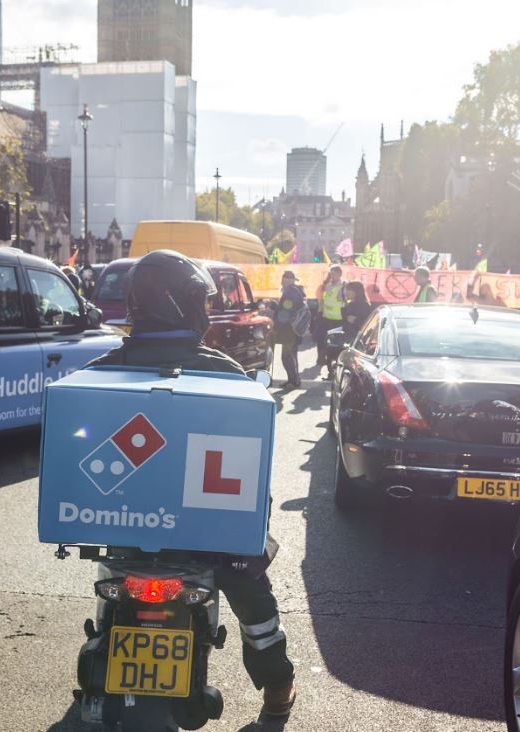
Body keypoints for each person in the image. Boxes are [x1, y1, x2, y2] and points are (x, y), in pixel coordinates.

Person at [85, 250, 297, 719]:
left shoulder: (99, 373)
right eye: (201, 301)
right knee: (250, 588)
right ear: (182, 304)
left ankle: (101, 662)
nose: (205, 312)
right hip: (213, 539)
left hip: (128, 529)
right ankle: (277, 688)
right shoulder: (223, 373)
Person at [273, 271, 306, 389]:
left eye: (286, 279)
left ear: (287, 280)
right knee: (291, 355)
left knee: (287, 356)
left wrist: (275, 310)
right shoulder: (295, 291)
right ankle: (293, 380)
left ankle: (294, 380)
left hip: (289, 330)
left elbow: (286, 310)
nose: (283, 281)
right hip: (293, 329)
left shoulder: (291, 292)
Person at [315, 265, 346, 378]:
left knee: (335, 346)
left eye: (334, 273)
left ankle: (334, 372)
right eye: (331, 273)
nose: (332, 276)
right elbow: (322, 299)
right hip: (325, 318)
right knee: (322, 342)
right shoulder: (327, 285)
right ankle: (324, 363)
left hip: (337, 320)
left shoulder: (343, 286)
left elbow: (345, 301)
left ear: (339, 274)